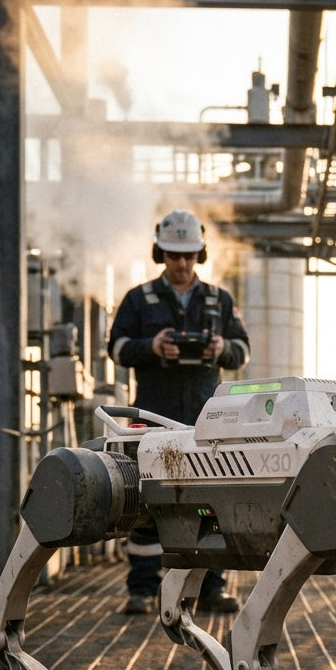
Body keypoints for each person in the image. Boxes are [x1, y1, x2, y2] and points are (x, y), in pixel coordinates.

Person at [108, 209, 250, 615]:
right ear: (160, 253)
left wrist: (222, 348)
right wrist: (152, 347)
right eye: (173, 255)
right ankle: (141, 589)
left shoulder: (220, 300)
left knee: (211, 502)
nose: (182, 264)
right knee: (147, 501)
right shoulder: (138, 299)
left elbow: (244, 348)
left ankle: (209, 589)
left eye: (188, 255)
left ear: (200, 254)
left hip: (207, 419)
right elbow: (116, 346)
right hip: (153, 414)